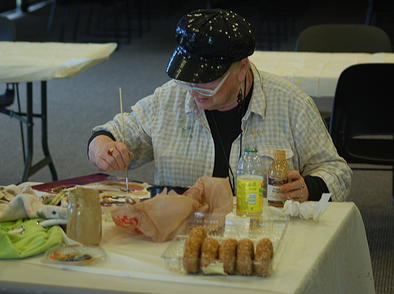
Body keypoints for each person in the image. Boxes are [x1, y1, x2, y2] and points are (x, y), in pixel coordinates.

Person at [88, 9, 352, 202]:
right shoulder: (168, 98)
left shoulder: (291, 104)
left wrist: (311, 187)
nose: (194, 92)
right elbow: (113, 133)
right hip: (181, 231)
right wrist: (102, 147)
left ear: (242, 69)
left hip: (265, 231)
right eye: (187, 80)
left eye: (206, 82)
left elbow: (337, 172)